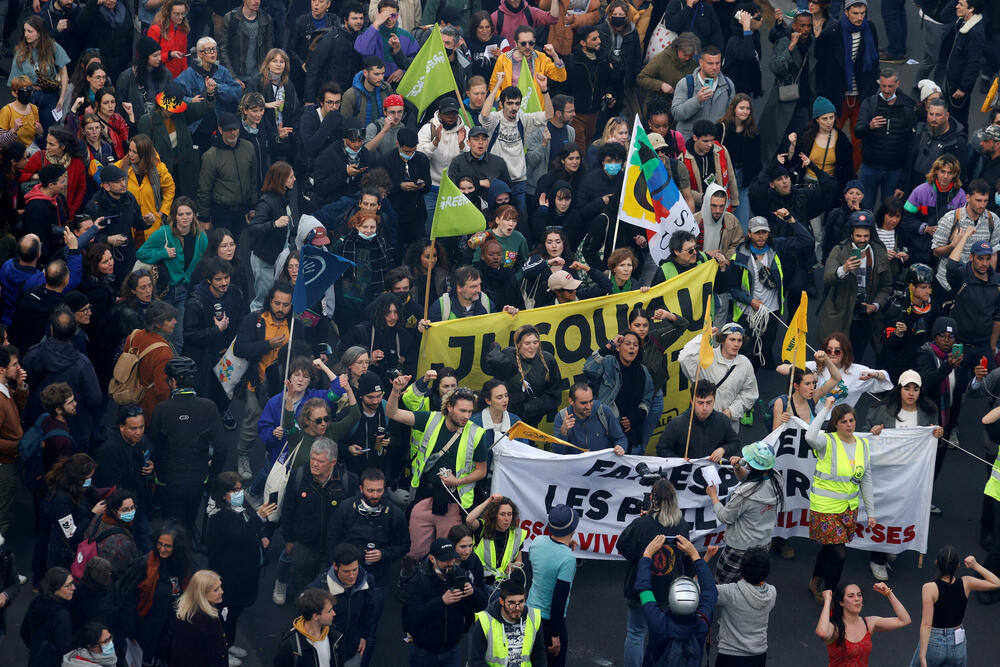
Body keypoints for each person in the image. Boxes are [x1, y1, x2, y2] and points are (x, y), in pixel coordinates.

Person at [326, 468, 408, 667]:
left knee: (369, 630)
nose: (375, 495)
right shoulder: (346, 509)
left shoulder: (395, 515)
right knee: (336, 624)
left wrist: (383, 554)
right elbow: (331, 540)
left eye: (379, 491)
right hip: (344, 581)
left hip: (377, 581)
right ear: (361, 488)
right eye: (371, 490)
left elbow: (405, 545)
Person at [805, 396, 875, 603]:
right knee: (839, 553)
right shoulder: (827, 442)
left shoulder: (862, 445)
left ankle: (815, 582)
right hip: (825, 507)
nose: (849, 425)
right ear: (835, 424)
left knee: (829, 547)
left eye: (851, 420)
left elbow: (866, 479)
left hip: (847, 509)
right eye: (843, 421)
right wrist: (825, 409)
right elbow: (809, 436)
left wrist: (871, 512)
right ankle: (832, 595)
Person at [147, 356, 226, 532]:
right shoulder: (209, 407)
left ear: (173, 381)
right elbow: (221, 448)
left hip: (168, 480)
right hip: (197, 480)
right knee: (189, 523)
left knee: (169, 525)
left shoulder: (161, 410)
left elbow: (155, 446)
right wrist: (211, 474)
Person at [616, 479, 689, 667]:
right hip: (669, 591)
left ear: (651, 499)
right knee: (663, 633)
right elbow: (686, 557)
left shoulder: (641, 524)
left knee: (635, 633)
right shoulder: (683, 526)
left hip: (642, 588)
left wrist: (645, 520)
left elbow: (623, 547)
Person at [206, 472, 275, 663]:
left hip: (242, 573)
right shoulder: (219, 516)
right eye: (235, 490)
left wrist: (259, 536)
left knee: (234, 614)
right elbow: (238, 535)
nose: (240, 493)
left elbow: (246, 531)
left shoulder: (237, 508)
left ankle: (229, 643)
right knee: (225, 614)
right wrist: (259, 517)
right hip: (228, 577)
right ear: (223, 494)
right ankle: (222, 651)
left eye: (240, 489)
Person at [728, 215, 813, 370]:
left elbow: (807, 240)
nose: (761, 236)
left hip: (772, 310)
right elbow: (732, 289)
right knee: (747, 350)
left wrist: (791, 219)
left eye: (764, 232)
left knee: (768, 341)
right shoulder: (738, 257)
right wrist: (750, 301)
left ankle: (766, 359)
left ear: (769, 233)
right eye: (757, 232)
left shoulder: (777, 247)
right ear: (749, 234)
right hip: (748, 312)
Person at [634, 534, 718, 667]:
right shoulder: (702, 623)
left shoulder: (658, 622)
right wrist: (694, 555)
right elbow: (710, 590)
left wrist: (647, 555)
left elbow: (643, 588)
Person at [706, 441, 783, 585]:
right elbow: (751, 478)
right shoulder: (777, 479)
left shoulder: (744, 494)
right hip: (764, 544)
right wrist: (738, 467)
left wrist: (713, 496)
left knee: (723, 584)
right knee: (752, 583)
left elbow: (725, 517)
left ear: (751, 465)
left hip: (739, 549)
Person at [910, 545, 1000, 664]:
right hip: (958, 642)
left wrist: (922, 656)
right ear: (958, 565)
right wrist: (975, 565)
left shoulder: (929, 588)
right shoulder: (967, 583)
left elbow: (926, 624)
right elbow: (996, 582)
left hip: (934, 641)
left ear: (936, 563)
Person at [123, 520, 193, 665]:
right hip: (148, 629)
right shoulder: (144, 565)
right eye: (159, 544)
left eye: (167, 546)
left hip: (171, 628)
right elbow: (129, 597)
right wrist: (130, 631)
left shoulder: (183, 566)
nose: (162, 549)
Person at [854, 68, 918, 209]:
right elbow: (858, 132)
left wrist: (903, 182)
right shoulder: (869, 103)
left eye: (890, 86)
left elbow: (911, 146)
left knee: (888, 213)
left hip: (894, 171)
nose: (886, 90)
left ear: (897, 84)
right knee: (864, 209)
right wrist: (869, 126)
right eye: (883, 86)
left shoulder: (907, 108)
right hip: (870, 167)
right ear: (879, 84)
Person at [524, 505, 579, 667]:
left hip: (531, 614)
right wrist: (555, 635)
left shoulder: (537, 541)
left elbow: (537, 572)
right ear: (572, 529)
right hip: (550, 623)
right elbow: (559, 599)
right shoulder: (568, 559)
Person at [583, 331, 654, 453]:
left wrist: (636, 416)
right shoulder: (608, 362)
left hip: (630, 434)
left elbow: (647, 398)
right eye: (627, 343)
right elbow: (589, 370)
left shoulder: (643, 371)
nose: (632, 347)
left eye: (635, 345)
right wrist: (609, 346)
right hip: (604, 429)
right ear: (619, 347)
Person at [678, 323, 759, 431]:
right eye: (732, 339)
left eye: (739, 340)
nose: (736, 344)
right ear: (722, 340)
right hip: (702, 423)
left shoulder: (745, 363)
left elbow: (750, 394)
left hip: (728, 426)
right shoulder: (707, 358)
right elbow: (684, 358)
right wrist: (703, 337)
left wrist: (731, 411)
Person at [306, 543, 375, 667]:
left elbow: (368, 611)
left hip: (352, 651)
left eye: (355, 569)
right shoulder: (318, 590)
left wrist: (364, 636)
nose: (352, 575)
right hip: (326, 653)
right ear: (335, 566)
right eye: (346, 571)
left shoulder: (367, 582)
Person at [482, 325, 562, 427]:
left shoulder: (548, 360)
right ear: (518, 344)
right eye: (527, 343)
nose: (532, 347)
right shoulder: (509, 356)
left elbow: (555, 393)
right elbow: (493, 360)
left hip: (532, 420)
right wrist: (495, 347)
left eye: (535, 342)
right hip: (506, 418)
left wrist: (531, 407)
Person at [815, 582, 911, 664]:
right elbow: (822, 633)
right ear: (842, 602)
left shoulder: (869, 623)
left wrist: (888, 593)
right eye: (851, 596)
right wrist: (827, 600)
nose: (857, 599)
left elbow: (905, 620)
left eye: (859, 595)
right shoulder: (835, 628)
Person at [714, 548, 776, 667]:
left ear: (741, 570)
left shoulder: (728, 592)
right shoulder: (772, 592)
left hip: (729, 654)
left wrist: (705, 558)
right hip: (759, 654)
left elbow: (702, 591)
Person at [197, 113, 258, 234]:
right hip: (221, 213)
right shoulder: (210, 156)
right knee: (223, 248)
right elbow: (204, 189)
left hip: (242, 211)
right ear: (220, 130)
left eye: (235, 129)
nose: (233, 133)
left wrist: (253, 206)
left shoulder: (249, 148)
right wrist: (204, 218)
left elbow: (253, 179)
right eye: (228, 130)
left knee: (238, 247)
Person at [9, 16, 70, 133]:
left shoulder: (53, 47)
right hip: (28, 94)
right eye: (25, 31)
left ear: (40, 33)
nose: (26, 34)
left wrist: (62, 97)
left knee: (47, 131)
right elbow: (14, 81)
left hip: (50, 95)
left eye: (30, 31)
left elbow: (63, 72)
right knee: (28, 130)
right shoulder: (21, 51)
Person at [118, 301, 176, 423]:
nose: (175, 322)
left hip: (128, 397)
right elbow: (162, 390)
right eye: (170, 319)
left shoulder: (134, 336)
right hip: (150, 407)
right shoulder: (163, 353)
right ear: (158, 324)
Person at [469, 579, 546, 667]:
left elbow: (539, 655)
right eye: (511, 603)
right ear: (502, 601)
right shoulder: (485, 620)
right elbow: (475, 660)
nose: (517, 608)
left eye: (521, 602)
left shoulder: (533, 617)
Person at [115, 134, 175, 245]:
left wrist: (162, 212)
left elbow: (170, 189)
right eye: (130, 150)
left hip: (152, 227)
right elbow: (106, 180)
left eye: (135, 152)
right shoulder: (121, 166)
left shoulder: (159, 168)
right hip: (129, 227)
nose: (130, 155)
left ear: (144, 154)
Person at [671, 46, 734, 139]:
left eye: (717, 63)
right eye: (710, 63)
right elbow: (676, 114)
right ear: (701, 63)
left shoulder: (728, 84)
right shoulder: (686, 83)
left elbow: (730, 117)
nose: (715, 67)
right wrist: (697, 100)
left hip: (715, 143)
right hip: (689, 143)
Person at [171, 569, 228, 667]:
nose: (221, 591)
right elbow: (215, 655)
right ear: (202, 594)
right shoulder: (209, 621)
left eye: (220, 587)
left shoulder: (183, 611)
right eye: (216, 590)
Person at [679, 119, 740, 210]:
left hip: (722, 206)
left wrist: (734, 201)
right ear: (695, 138)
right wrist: (704, 198)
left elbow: (731, 177)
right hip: (699, 208)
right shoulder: (683, 160)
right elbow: (682, 190)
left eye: (712, 140)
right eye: (705, 141)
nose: (710, 144)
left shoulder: (721, 150)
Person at [19, 566, 74, 666]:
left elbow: (24, 632)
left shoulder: (36, 602)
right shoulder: (61, 616)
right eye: (68, 585)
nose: (73, 588)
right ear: (56, 590)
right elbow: (64, 650)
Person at [273, 588, 341, 666]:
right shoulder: (290, 646)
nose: (334, 613)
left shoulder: (335, 636)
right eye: (329, 611)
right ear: (315, 616)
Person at [81, 488, 140, 578]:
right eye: (125, 510)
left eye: (132, 508)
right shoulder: (123, 542)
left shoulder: (99, 517)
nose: (130, 512)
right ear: (113, 510)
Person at [218, 0, 274, 88]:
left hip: (259, 77)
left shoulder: (266, 19)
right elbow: (223, 50)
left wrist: (266, 73)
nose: (256, 2)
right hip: (237, 76)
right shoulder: (231, 18)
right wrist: (233, 77)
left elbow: (269, 50)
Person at [146, 0, 190, 78]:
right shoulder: (155, 29)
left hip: (179, 76)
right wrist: (169, 55)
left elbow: (183, 56)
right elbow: (149, 58)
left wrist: (185, 74)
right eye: (176, 14)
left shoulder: (183, 28)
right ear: (168, 13)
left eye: (183, 14)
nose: (180, 17)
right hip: (160, 75)